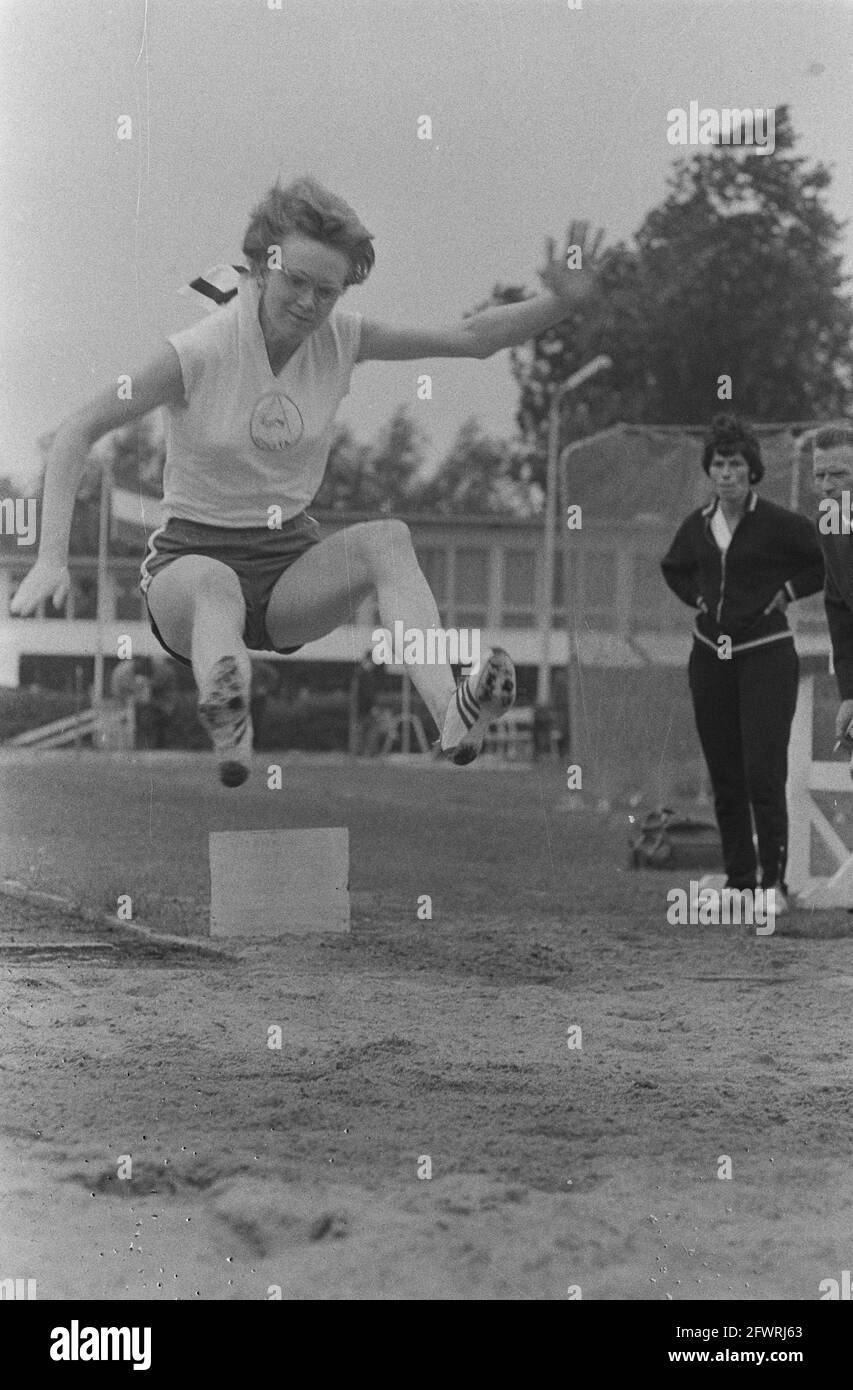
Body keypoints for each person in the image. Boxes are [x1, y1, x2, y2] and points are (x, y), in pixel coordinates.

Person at [11, 176, 594, 786]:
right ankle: (229, 715)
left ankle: (452, 712)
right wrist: (51, 559)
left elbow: (470, 339)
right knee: (215, 585)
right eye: (296, 282)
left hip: (288, 567)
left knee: (388, 539)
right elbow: (79, 429)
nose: (310, 305)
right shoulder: (200, 351)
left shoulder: (344, 339)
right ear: (262, 268)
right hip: (189, 566)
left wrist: (560, 304)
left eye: (328, 292)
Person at [661, 414, 824, 911]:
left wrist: (787, 593)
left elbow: (827, 558)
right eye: (717, 464)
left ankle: (773, 884)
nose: (725, 473)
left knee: (762, 770)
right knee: (725, 771)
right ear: (709, 471)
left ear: (751, 470)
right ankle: (739, 881)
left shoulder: (778, 523)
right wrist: (701, 600)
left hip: (766, 657)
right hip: (710, 658)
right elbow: (673, 568)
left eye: (734, 464)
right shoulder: (698, 526)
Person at [810, 425, 853, 752]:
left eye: (837, 474)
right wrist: (849, 694)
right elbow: (838, 608)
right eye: (819, 475)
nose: (826, 487)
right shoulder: (830, 522)